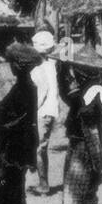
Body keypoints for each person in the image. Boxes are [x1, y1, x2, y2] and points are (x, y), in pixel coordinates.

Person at [0, 42, 42, 204]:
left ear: (17, 66)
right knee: (16, 186)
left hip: (12, 146)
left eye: (12, 63)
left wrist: (2, 117)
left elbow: (3, 116)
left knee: (2, 184)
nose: (9, 66)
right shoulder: (28, 87)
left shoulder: (22, 89)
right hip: (22, 145)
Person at [60, 59, 102, 204]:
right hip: (81, 139)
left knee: (82, 180)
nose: (75, 75)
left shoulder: (96, 90)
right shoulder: (87, 88)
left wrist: (76, 100)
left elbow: (87, 113)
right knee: (81, 181)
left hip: (86, 141)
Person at [29, 29, 61, 194]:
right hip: (50, 111)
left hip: (42, 111)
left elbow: (41, 93)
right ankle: (41, 179)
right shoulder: (51, 65)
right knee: (40, 146)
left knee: (39, 148)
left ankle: (43, 184)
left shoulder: (40, 68)